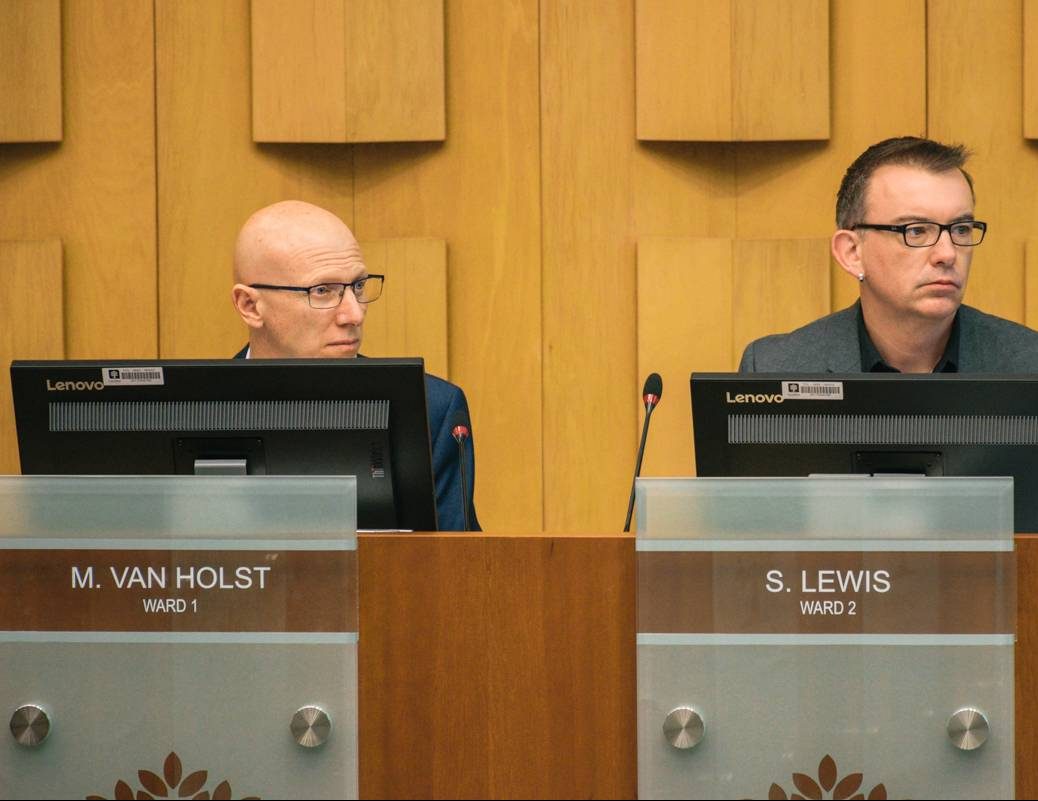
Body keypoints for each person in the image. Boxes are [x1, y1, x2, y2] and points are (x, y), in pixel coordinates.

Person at [231, 200, 480, 530]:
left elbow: (457, 558)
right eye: (322, 290)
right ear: (250, 306)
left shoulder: (431, 408)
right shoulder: (190, 406)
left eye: (358, 286)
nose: (354, 314)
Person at [739, 136, 1038, 373]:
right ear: (852, 252)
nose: (947, 254)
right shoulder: (777, 368)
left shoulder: (1029, 364)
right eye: (916, 231)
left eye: (960, 229)